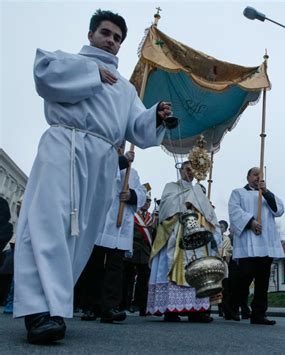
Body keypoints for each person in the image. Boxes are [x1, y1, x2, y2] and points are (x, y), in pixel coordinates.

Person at [14, 9, 174, 344]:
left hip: (103, 158)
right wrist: (92, 74)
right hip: (65, 144)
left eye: (117, 38)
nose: (111, 41)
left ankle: (54, 306)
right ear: (91, 35)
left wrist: (154, 116)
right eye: (106, 33)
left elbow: (137, 130)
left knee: (81, 233)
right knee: (49, 222)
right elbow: (44, 75)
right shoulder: (68, 60)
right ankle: (36, 311)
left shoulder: (126, 90)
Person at [147, 161, 221, 322]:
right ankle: (171, 309)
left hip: (197, 234)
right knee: (172, 266)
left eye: (192, 170)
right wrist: (187, 200)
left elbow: (208, 214)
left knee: (200, 267)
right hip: (177, 231)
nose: (190, 172)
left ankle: (197, 310)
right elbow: (166, 207)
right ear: (180, 170)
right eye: (187, 169)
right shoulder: (171, 187)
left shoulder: (198, 190)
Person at [80, 148, 146, 323]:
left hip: (119, 225)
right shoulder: (105, 163)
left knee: (115, 269)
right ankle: (90, 306)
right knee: (95, 266)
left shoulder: (134, 173)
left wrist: (131, 195)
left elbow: (141, 193)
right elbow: (101, 175)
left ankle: (109, 307)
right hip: (102, 222)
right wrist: (122, 161)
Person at [228, 167, 284, 325]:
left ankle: (259, 314)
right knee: (244, 277)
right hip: (248, 243)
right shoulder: (238, 193)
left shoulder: (266, 194)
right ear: (248, 177)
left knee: (263, 280)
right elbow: (234, 211)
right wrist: (250, 222)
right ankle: (232, 304)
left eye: (261, 175)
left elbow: (279, 210)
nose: (258, 177)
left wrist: (266, 192)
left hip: (265, 244)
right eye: (255, 174)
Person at [122, 189, 155, 316]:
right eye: (146, 201)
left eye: (149, 201)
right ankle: (124, 304)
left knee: (143, 281)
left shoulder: (151, 218)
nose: (147, 203)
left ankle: (141, 306)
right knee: (127, 279)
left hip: (145, 253)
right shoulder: (133, 214)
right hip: (133, 249)